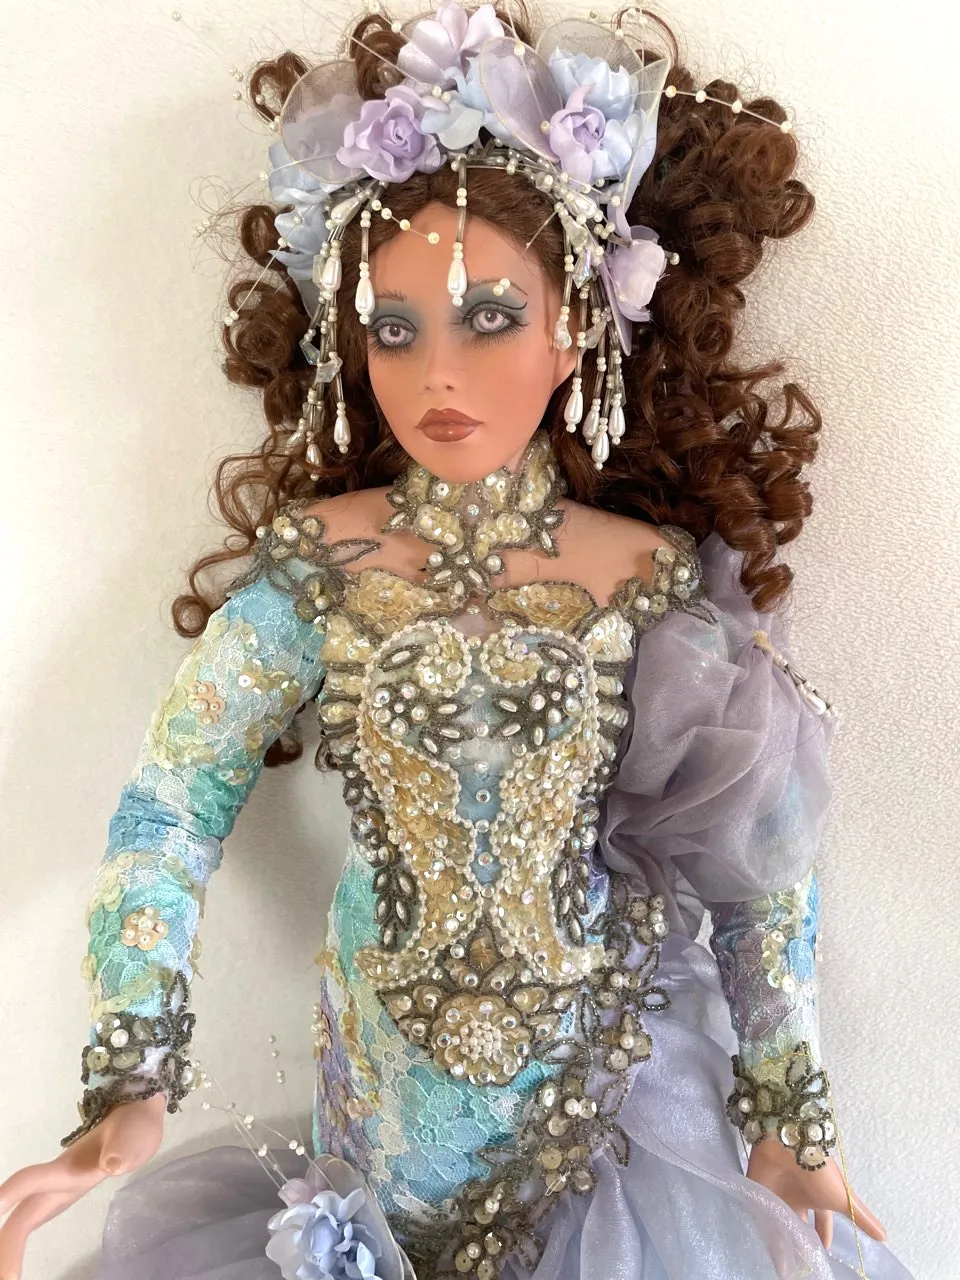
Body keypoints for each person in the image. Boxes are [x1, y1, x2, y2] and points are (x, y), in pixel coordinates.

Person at [0, 3, 918, 1277]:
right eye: (396, 327)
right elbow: (169, 805)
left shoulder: (647, 576)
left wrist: (787, 1105)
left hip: (608, 1133)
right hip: (376, 1150)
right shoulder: (320, 567)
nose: (438, 373)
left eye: (489, 316)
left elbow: (758, 855)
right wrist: (129, 1078)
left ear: (575, 328)